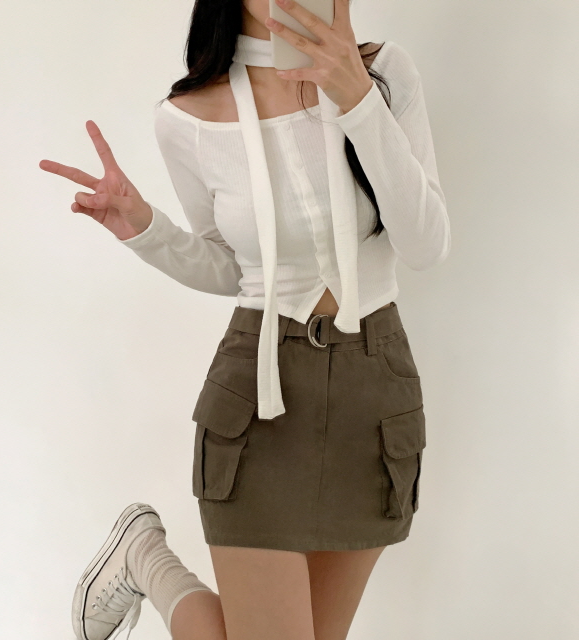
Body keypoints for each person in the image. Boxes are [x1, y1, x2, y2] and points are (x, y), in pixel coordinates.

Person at [40, 1, 450, 638]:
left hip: (373, 391)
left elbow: (425, 244)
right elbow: (235, 270)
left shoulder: (384, 72)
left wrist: (356, 97)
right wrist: (145, 229)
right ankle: (149, 563)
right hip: (259, 395)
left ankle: (145, 559)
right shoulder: (187, 117)